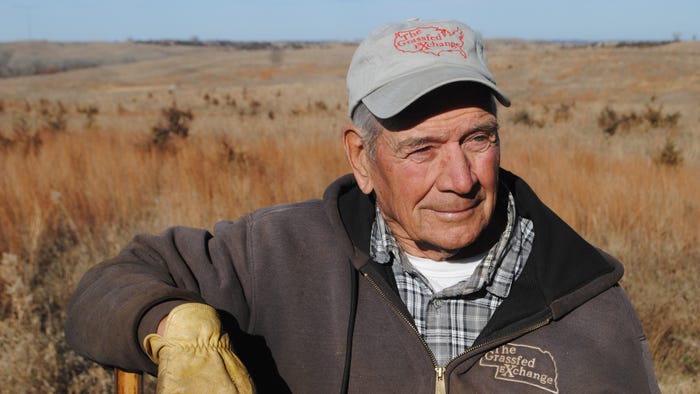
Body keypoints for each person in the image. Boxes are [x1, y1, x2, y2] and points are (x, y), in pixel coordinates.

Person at [65, 19, 660, 393]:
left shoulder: (589, 305)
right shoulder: (274, 254)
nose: (460, 178)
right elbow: (109, 286)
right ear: (360, 159)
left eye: (478, 139)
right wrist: (174, 328)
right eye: (420, 149)